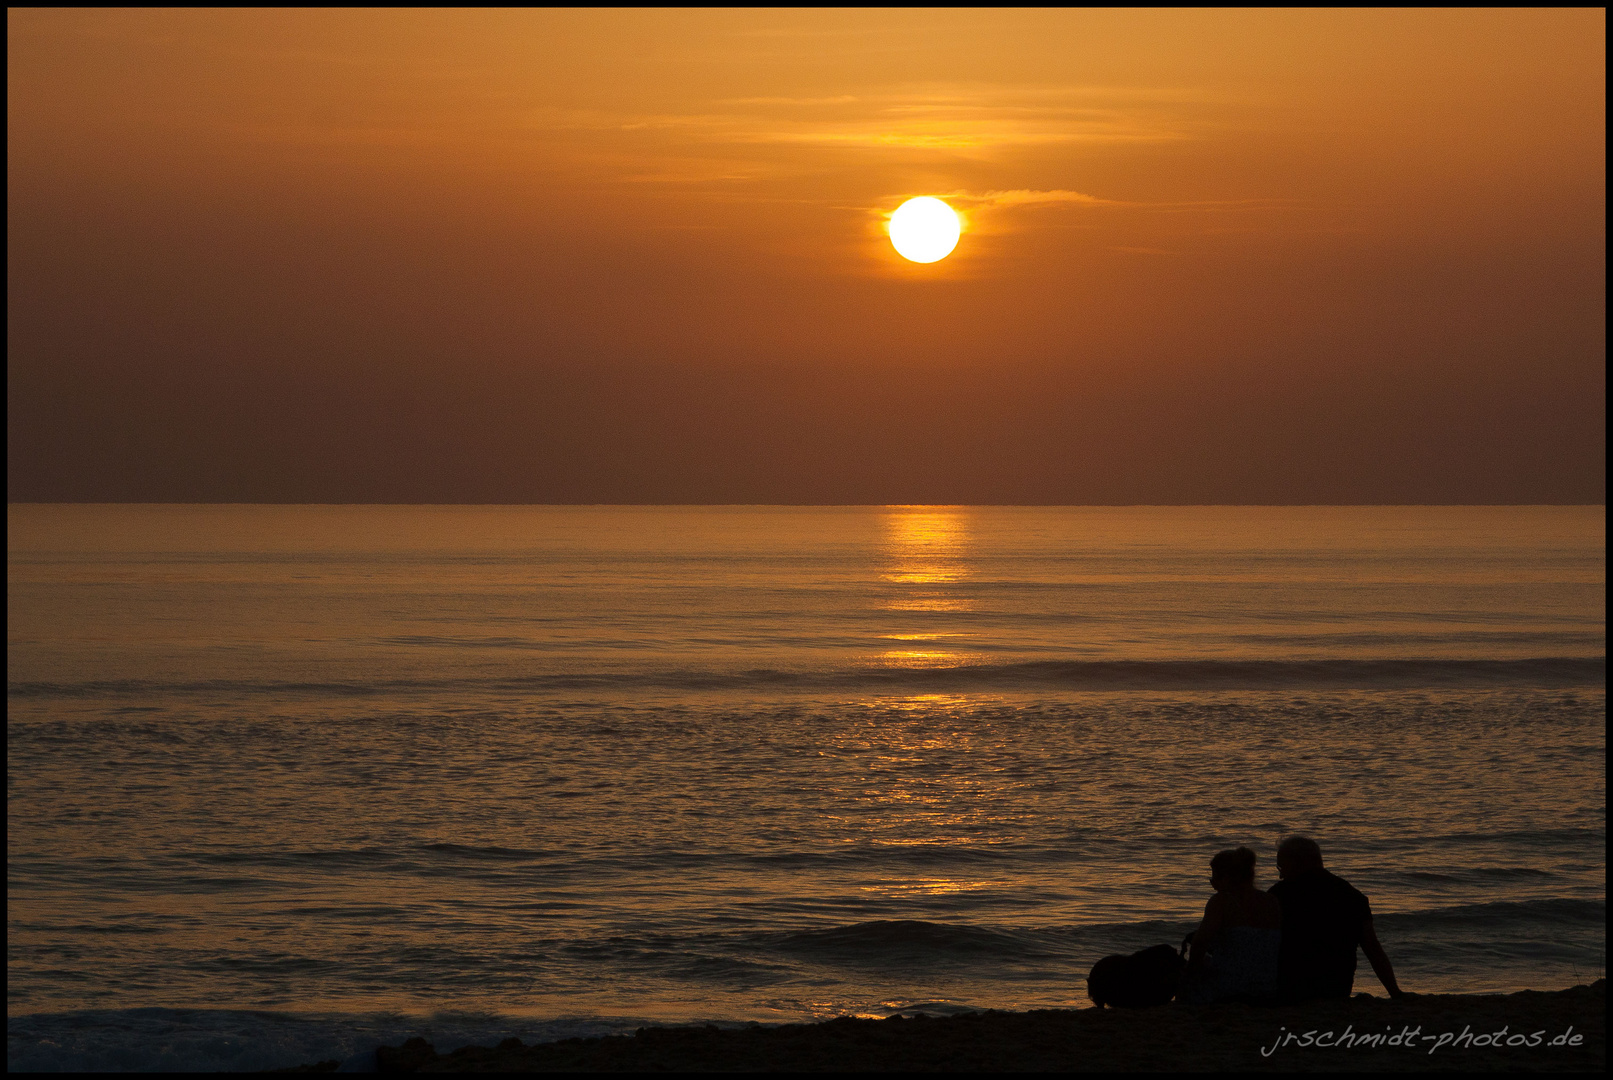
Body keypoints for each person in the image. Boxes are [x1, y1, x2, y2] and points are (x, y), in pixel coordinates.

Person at [1268, 835, 1403, 1001]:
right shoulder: (1352, 895)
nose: (1281, 875)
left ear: (1299, 862)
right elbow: (1372, 949)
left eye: (1281, 867)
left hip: (1289, 988)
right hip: (1337, 989)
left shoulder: (1278, 895)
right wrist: (1394, 992)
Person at [1176, 846, 1283, 1004]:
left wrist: (1190, 971)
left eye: (1213, 878)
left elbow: (1200, 943)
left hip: (1231, 989)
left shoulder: (1221, 901)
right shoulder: (1271, 901)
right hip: (1267, 987)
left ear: (1226, 878)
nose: (1212, 884)